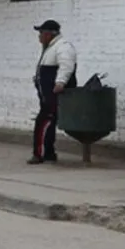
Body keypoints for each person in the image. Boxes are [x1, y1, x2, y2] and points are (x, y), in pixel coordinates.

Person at [29, 20, 78, 165]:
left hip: (53, 95)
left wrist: (60, 82)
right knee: (48, 122)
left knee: (43, 122)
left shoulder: (63, 47)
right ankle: (48, 152)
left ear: (49, 34)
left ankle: (40, 153)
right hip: (46, 95)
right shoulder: (51, 48)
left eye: (41, 33)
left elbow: (66, 66)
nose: (39, 37)